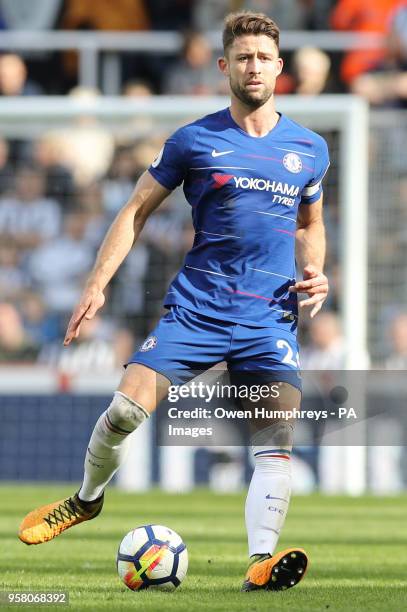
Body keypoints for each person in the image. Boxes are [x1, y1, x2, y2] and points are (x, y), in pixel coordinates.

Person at [19, 11, 330, 594]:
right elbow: (135, 210)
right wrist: (96, 283)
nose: (253, 66)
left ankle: (260, 564)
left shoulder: (309, 149)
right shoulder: (195, 139)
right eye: (243, 58)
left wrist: (317, 270)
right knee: (124, 412)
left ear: (279, 67)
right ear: (224, 67)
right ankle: (86, 501)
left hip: (270, 315)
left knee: (275, 443)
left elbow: (311, 223)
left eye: (263, 57)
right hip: (199, 309)